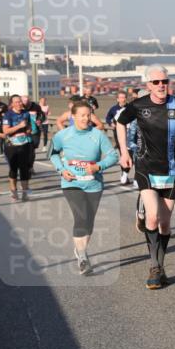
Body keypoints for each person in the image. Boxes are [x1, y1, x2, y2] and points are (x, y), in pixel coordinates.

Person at [115, 65, 175, 289]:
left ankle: (160, 266)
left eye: (165, 81)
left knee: (165, 223)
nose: (161, 85)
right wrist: (124, 152)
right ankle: (154, 266)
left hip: (171, 170)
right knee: (152, 217)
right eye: (156, 82)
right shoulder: (139, 105)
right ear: (148, 85)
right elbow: (120, 122)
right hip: (145, 166)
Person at [49, 100, 119, 275]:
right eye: (82, 115)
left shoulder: (98, 135)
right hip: (71, 183)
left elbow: (113, 156)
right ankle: (82, 257)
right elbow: (52, 153)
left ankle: (80, 249)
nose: (86, 118)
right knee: (81, 216)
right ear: (73, 116)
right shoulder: (63, 135)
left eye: (89, 115)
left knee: (89, 221)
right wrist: (62, 170)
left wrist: (99, 166)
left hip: (94, 184)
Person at [0, 95, 36, 201]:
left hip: (24, 144)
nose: (19, 104)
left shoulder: (26, 113)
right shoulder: (8, 115)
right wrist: (19, 126)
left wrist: (29, 129)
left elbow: (29, 127)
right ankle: (14, 191)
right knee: (14, 169)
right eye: (17, 102)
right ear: (12, 104)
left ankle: (25, 193)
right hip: (11, 145)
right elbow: (6, 131)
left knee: (24, 169)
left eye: (20, 102)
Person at [104, 92, 130, 183]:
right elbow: (108, 118)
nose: (123, 99)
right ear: (117, 99)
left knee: (130, 154)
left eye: (124, 97)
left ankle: (125, 174)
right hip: (118, 134)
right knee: (123, 153)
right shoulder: (113, 109)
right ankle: (124, 173)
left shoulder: (130, 108)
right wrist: (111, 123)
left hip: (130, 133)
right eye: (121, 98)